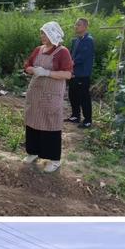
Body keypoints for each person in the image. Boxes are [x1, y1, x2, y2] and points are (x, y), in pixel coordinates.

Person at [23, 21, 73, 173]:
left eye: (44, 33)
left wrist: (47, 73)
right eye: (41, 33)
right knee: (32, 122)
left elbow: (68, 74)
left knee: (50, 124)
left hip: (51, 95)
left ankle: (54, 160)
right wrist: (33, 70)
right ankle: (33, 152)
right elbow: (27, 66)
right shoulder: (39, 49)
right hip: (36, 93)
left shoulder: (62, 52)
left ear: (53, 34)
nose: (42, 36)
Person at [65, 18, 95, 128]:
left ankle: (87, 120)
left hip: (82, 75)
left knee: (84, 97)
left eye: (78, 24)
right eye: (75, 24)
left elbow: (81, 58)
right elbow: (72, 55)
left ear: (85, 27)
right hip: (74, 73)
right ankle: (75, 116)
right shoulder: (77, 40)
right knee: (72, 95)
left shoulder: (88, 40)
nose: (76, 26)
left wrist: (69, 64)